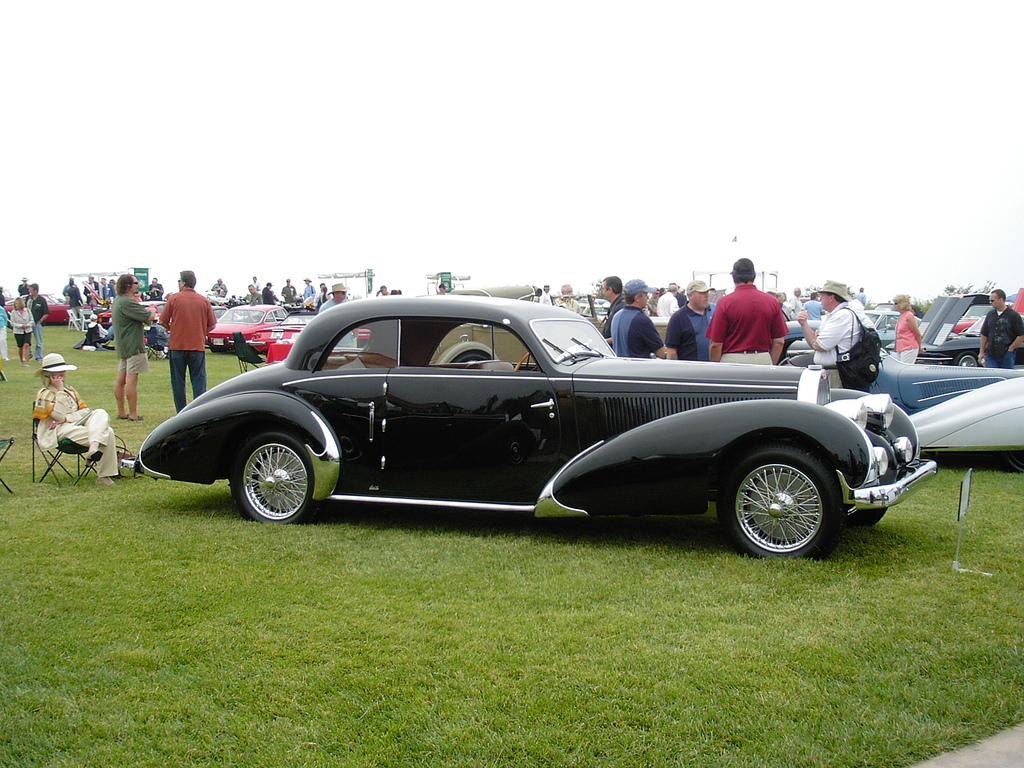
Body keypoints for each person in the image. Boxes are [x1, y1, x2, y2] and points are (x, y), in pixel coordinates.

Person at [33, 353, 119, 486]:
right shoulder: (44, 394)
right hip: (57, 431)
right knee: (108, 432)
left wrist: (68, 417)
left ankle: (93, 449)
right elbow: (57, 416)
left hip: (77, 424)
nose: (63, 376)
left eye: (63, 372)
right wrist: (60, 392)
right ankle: (103, 476)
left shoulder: (71, 390)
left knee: (100, 412)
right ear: (49, 376)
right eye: (59, 374)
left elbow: (85, 411)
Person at [706, 259, 788, 365]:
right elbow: (779, 341)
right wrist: (771, 363)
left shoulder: (725, 302)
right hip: (762, 358)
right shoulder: (772, 301)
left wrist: (715, 367)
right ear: (753, 276)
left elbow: (716, 344)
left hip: (731, 359)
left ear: (733, 276)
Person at [161, 270, 218, 413]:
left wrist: (173, 328)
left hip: (177, 345)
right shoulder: (204, 300)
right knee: (199, 381)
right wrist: (200, 332)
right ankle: (198, 411)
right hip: (197, 347)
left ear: (183, 282)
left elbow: (163, 321)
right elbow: (212, 325)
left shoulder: (174, 299)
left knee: (178, 382)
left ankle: (181, 412)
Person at [796, 280, 870, 388]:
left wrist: (817, 338)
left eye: (823, 295)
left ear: (831, 297)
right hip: (834, 371)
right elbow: (815, 343)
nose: (820, 299)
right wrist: (804, 325)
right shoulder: (834, 316)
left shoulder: (842, 316)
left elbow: (820, 345)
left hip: (837, 373)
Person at [112, 273, 158, 421]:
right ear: (128, 286)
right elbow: (150, 317)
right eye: (136, 283)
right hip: (133, 346)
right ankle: (133, 414)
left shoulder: (118, 301)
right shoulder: (127, 302)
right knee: (131, 380)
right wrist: (151, 310)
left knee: (121, 380)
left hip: (123, 346)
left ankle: (122, 412)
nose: (138, 285)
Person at [610, 279, 668, 359]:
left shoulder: (616, 316)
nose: (648, 297)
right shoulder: (642, 320)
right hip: (638, 368)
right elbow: (661, 353)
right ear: (637, 298)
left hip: (619, 367)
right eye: (646, 294)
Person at [979, 289, 1024, 369]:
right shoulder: (990, 314)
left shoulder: (1013, 315)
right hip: (991, 354)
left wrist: (1011, 348)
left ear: (1001, 299)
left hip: (1007, 354)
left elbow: (1021, 335)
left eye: (993, 300)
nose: (991, 303)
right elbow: (984, 333)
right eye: (990, 301)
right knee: (991, 377)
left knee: (1006, 377)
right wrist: (982, 352)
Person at [673, 280, 715, 361]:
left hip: (716, 368)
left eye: (707, 292)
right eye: (702, 293)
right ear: (691, 295)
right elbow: (672, 350)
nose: (706, 296)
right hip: (691, 369)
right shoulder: (679, 317)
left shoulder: (716, 310)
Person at [892, 294, 923, 364]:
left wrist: (920, 346)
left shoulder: (909, 316)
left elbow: (917, 333)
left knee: (904, 368)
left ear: (902, 304)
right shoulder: (901, 316)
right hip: (900, 347)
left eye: (896, 303)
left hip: (909, 347)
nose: (894, 305)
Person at [28, 283, 49, 362]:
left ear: (35, 290)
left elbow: (46, 312)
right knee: (27, 340)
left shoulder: (41, 300)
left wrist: (40, 321)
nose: (29, 291)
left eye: (31, 289)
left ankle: (39, 357)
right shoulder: (28, 299)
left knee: (38, 341)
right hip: (28, 323)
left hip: (37, 323)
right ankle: (29, 354)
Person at [601, 275, 624, 343]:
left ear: (610, 290)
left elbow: (621, 336)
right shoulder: (615, 305)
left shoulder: (620, 308)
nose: (603, 292)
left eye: (604, 289)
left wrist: (604, 342)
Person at [10, 297, 34, 365]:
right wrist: (21, 326)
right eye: (15, 304)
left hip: (27, 331)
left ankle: (26, 362)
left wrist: (28, 325)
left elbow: (32, 320)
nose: (16, 305)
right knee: (20, 347)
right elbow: (12, 323)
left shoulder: (28, 310)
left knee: (26, 345)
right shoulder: (14, 312)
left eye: (17, 304)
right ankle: (21, 360)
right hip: (18, 332)